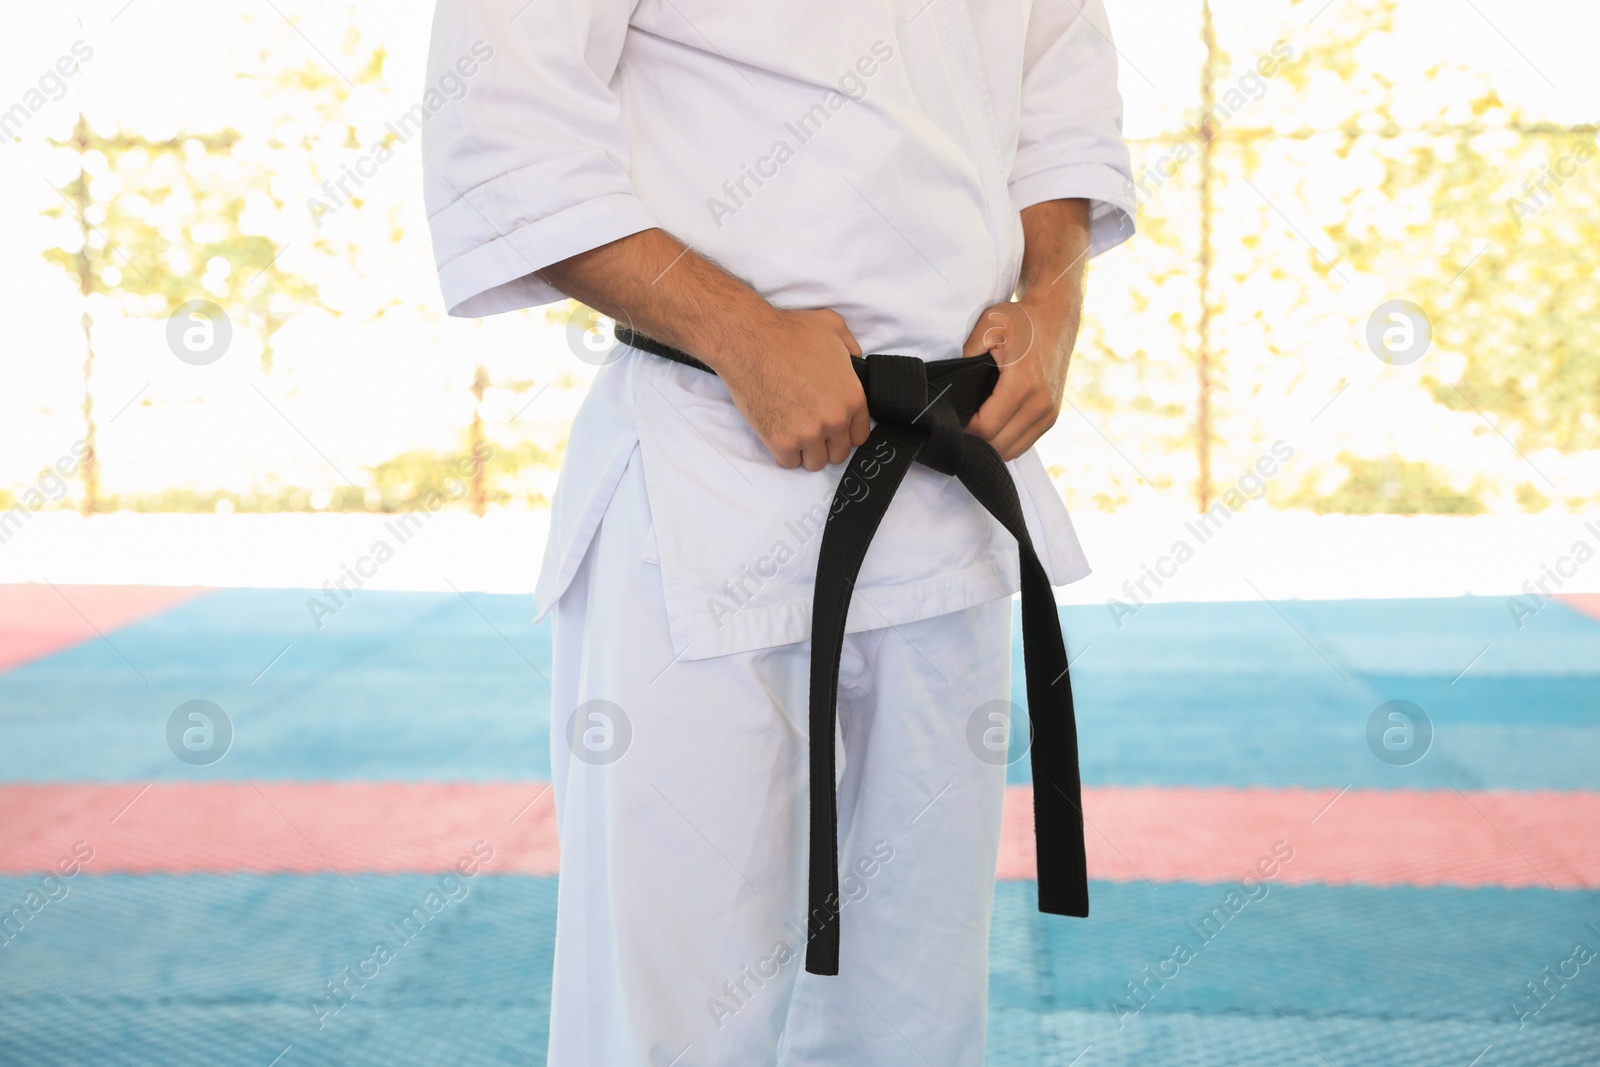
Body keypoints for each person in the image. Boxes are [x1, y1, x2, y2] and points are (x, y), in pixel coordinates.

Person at [422, 1, 1135, 1063]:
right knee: (671, 1013)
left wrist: (1051, 309)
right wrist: (738, 329)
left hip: (946, 491)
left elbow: (1059, 107)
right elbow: (502, 123)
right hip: (708, 479)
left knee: (915, 1013)